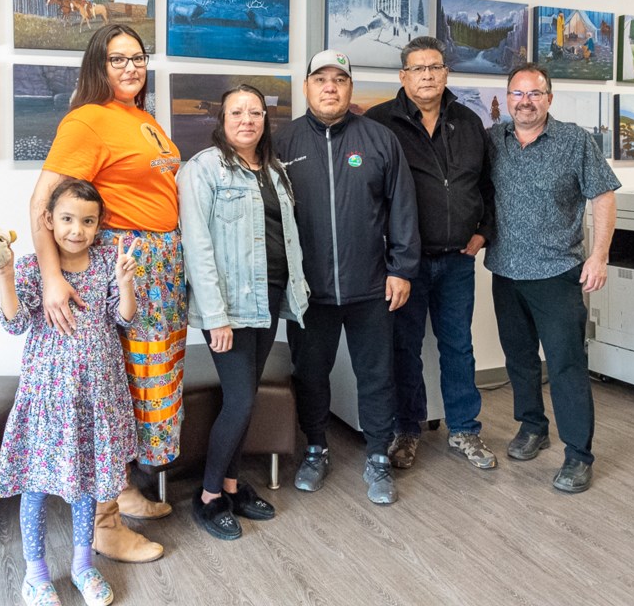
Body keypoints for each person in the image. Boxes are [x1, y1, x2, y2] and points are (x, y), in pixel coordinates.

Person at [33, 24, 183, 562]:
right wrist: (53, 277)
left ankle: (121, 490)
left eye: (137, 58)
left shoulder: (141, 118)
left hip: (159, 270)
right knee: (111, 394)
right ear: (97, 64)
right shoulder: (87, 120)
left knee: (142, 389)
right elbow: (42, 206)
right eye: (117, 59)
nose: (130, 68)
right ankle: (104, 524)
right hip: (121, 266)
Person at [274, 50, 420, 505]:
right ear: (307, 87)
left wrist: (402, 269)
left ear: (350, 88)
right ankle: (316, 447)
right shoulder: (283, 143)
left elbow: (402, 209)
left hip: (371, 286)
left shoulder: (379, 140)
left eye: (340, 79)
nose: (331, 87)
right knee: (311, 373)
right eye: (321, 79)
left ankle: (378, 455)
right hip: (308, 291)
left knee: (376, 375)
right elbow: (270, 220)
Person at [0, 179, 139, 606]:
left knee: (86, 483)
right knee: (35, 483)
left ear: (99, 225)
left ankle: (82, 565)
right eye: (68, 219)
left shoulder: (110, 258)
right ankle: (35, 574)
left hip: (98, 394)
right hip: (49, 396)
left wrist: (125, 282)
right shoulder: (35, 268)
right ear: (49, 221)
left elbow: (124, 318)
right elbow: (15, 323)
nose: (77, 230)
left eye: (88, 221)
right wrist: (5, 275)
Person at [178, 85, 308, 539]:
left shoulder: (273, 170)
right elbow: (196, 246)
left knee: (247, 394)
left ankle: (232, 485)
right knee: (240, 399)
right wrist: (215, 316)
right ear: (222, 118)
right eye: (237, 112)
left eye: (255, 112)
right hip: (229, 307)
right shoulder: (203, 170)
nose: (247, 120)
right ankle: (209, 495)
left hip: (268, 298)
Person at [486, 63, 620, 493]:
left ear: (549, 98)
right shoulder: (493, 141)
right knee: (520, 360)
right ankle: (532, 427)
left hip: (557, 273)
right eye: (517, 94)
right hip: (505, 271)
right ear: (508, 99)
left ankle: (578, 455)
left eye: (534, 94)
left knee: (565, 366)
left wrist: (598, 257)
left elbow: (601, 196)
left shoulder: (574, 141)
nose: (525, 102)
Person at [364, 36, 496, 471]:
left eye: (434, 67)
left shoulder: (469, 122)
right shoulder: (381, 123)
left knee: (458, 346)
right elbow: (370, 194)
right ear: (403, 76)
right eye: (418, 68)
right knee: (404, 347)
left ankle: (464, 430)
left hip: (458, 258)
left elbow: (487, 187)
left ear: (446, 73)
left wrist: (483, 232)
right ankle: (407, 429)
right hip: (405, 263)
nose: (427, 75)